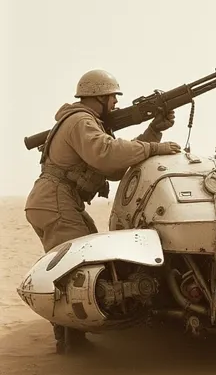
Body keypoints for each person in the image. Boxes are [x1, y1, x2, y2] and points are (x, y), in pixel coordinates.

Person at [25, 68, 181, 353]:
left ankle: (72, 336)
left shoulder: (86, 123)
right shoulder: (81, 121)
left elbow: (114, 168)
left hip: (60, 200)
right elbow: (107, 155)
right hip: (56, 200)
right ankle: (70, 342)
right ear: (99, 96)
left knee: (88, 259)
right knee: (74, 269)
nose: (116, 103)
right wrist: (154, 147)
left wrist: (154, 131)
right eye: (112, 97)